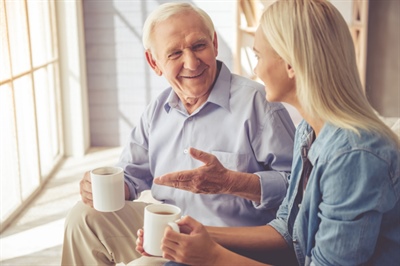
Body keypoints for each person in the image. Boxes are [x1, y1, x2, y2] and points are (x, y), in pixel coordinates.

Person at [135, 0, 400, 265]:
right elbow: (289, 230)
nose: (255, 70)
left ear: (290, 64)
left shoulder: (353, 156)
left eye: (259, 56)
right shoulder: (309, 131)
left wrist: (213, 255)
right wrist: (190, 233)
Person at [61, 2, 296, 265]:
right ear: (154, 62)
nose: (191, 62)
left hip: (232, 243)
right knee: (84, 216)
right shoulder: (157, 111)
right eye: (174, 53)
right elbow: (131, 176)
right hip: (168, 229)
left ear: (214, 43)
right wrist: (100, 188)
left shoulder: (259, 103)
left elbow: (299, 188)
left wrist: (231, 182)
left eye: (199, 46)